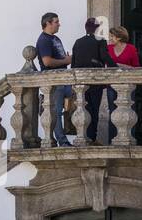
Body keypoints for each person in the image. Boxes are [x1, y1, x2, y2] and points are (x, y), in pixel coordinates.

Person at [71, 17, 114, 144]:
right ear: (97, 28)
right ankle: (92, 138)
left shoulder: (78, 42)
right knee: (94, 109)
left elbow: (73, 64)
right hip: (95, 81)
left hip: (81, 82)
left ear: (86, 28)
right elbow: (105, 56)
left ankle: (84, 137)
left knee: (84, 109)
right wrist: (116, 68)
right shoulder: (100, 41)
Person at [35, 12, 73, 147]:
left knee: (77, 102)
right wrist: (65, 60)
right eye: (56, 22)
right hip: (54, 82)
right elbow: (47, 62)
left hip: (63, 80)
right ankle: (62, 141)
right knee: (55, 112)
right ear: (48, 24)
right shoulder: (44, 40)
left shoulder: (56, 39)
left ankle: (74, 135)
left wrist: (65, 60)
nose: (59, 24)